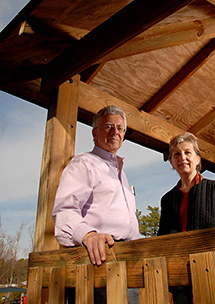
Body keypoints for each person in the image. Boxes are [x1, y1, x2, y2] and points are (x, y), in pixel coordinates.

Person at [52, 105, 139, 303]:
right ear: (95, 132)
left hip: (128, 263)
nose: (115, 132)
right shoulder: (84, 163)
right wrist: (88, 235)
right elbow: (65, 210)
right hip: (97, 263)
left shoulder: (121, 174)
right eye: (109, 126)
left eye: (120, 128)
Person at [158, 132, 215, 304]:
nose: (182, 158)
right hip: (181, 282)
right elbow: (163, 243)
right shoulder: (167, 200)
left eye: (187, 152)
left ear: (197, 158)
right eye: (176, 154)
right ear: (172, 163)